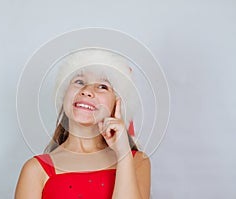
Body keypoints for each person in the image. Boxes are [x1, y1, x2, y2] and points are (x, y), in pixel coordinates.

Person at [15, 49, 151, 199]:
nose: (86, 91)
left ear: (117, 104)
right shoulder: (35, 169)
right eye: (79, 82)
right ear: (65, 95)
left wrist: (123, 153)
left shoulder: (137, 161)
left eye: (102, 86)